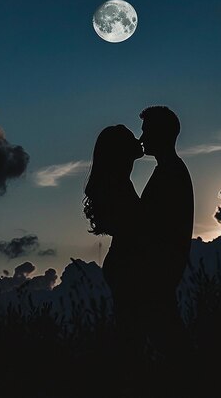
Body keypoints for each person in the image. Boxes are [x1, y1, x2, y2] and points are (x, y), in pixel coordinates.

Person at [83, 125, 144, 366]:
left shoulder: (118, 183)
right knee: (131, 336)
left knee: (131, 333)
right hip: (126, 263)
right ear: (120, 151)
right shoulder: (117, 186)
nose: (138, 139)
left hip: (122, 261)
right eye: (131, 138)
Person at [138, 106, 194, 363]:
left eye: (146, 131)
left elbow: (156, 227)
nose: (141, 138)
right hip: (159, 276)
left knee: (171, 348)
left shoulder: (170, 174)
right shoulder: (169, 171)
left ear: (160, 134)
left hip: (158, 276)